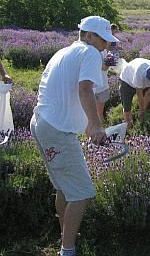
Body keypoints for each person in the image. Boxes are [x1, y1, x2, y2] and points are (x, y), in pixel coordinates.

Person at [30, 16, 119, 256]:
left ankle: (66, 235)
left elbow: (98, 95)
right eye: (102, 39)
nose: (105, 45)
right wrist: (97, 126)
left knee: (64, 188)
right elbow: (85, 90)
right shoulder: (89, 53)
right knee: (82, 192)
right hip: (58, 131)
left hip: (41, 123)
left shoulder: (64, 52)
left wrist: (92, 125)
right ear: (89, 35)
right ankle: (67, 250)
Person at [119, 58, 150, 126]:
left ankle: (140, 122)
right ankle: (128, 127)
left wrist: (143, 112)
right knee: (127, 107)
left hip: (141, 80)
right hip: (127, 80)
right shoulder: (140, 72)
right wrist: (142, 109)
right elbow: (140, 95)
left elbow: (148, 94)